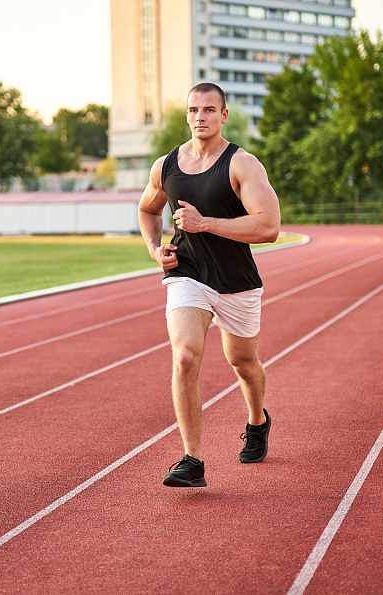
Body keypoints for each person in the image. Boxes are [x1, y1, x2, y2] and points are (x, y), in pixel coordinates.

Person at [137, 82, 281, 488]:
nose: (200, 116)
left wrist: (206, 224)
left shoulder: (243, 164)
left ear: (223, 116)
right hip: (188, 273)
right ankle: (192, 460)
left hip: (236, 281)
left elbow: (269, 226)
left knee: (243, 363)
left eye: (208, 110)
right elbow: (148, 208)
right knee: (184, 356)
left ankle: (257, 420)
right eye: (193, 110)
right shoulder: (166, 165)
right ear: (187, 115)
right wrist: (153, 249)